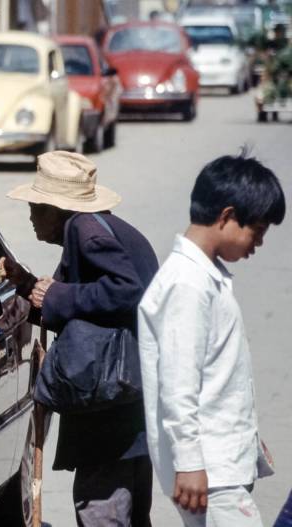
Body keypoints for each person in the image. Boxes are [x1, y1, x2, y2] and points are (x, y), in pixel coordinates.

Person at [0, 151, 158, 526]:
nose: (32, 217)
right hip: (128, 405)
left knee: (102, 512)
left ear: (58, 209)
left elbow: (126, 290)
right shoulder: (95, 229)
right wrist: (26, 286)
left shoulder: (84, 231)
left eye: (38, 207)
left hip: (110, 417)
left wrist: (56, 296)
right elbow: (82, 311)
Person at [138, 152, 286, 527]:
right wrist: (189, 463)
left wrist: (247, 440)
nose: (259, 244)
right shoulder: (187, 284)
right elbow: (178, 383)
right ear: (226, 217)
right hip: (209, 471)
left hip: (220, 462)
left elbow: (220, 377)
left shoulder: (203, 276)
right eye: (257, 230)